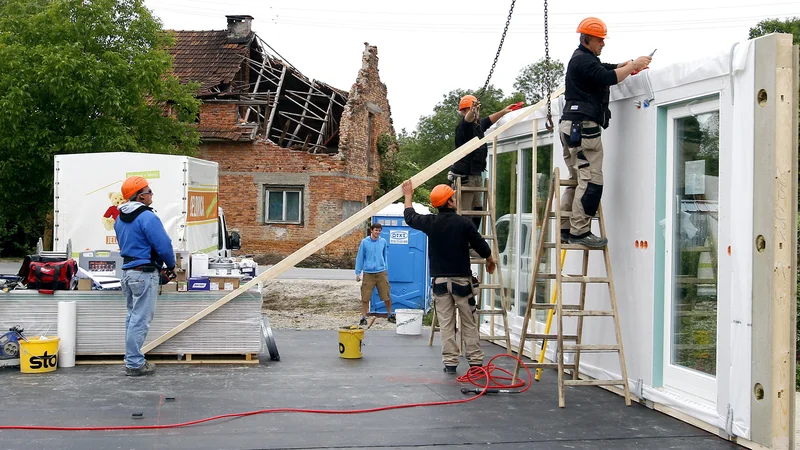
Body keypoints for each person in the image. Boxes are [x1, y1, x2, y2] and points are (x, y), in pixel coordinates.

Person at [559, 17, 652, 248]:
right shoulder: (583, 61)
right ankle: (580, 232)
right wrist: (633, 66)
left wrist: (628, 64)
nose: (603, 44)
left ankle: (565, 228)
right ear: (586, 39)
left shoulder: (581, 59)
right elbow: (607, 77)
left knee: (576, 180)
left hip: (571, 126)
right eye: (600, 40)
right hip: (583, 129)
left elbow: (606, 69)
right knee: (591, 181)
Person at [402, 180, 496, 374]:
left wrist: (408, 195)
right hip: (462, 281)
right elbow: (481, 245)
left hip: (440, 283)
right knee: (469, 322)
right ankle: (476, 363)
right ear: (450, 202)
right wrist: (489, 259)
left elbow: (410, 217)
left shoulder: (431, 223)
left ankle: (450, 362)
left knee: (446, 323)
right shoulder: (464, 223)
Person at [114, 176, 175, 376]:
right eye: (149, 192)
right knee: (140, 319)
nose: (152, 195)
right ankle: (134, 363)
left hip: (128, 273)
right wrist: (171, 264)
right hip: (144, 273)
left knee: (132, 317)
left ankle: (132, 358)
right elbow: (163, 245)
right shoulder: (147, 217)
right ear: (140, 196)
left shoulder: (119, 218)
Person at [450, 95, 516, 227]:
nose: (476, 113)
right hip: (464, 176)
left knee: (477, 210)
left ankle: (473, 241)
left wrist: (503, 112)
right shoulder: (464, 127)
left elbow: (489, 120)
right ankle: (464, 243)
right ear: (464, 111)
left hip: (476, 175)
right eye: (473, 110)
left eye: (477, 110)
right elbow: (468, 119)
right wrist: (472, 110)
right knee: (465, 213)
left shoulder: (478, 126)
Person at [355, 223, 394, 325]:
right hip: (368, 273)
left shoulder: (383, 241)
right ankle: (363, 317)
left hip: (381, 272)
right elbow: (360, 257)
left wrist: (386, 269)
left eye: (379, 230)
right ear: (371, 230)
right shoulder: (365, 242)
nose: (378, 232)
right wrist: (358, 272)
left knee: (386, 294)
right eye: (376, 230)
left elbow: (385, 256)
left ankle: (390, 314)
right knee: (365, 296)